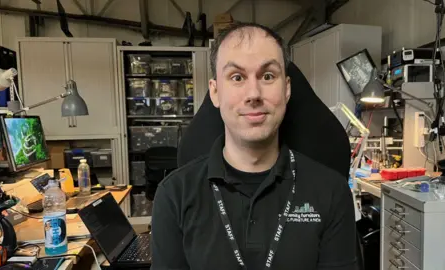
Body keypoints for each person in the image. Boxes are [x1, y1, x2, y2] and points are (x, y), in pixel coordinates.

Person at [151, 22, 357, 270]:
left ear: (287, 89)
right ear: (215, 92)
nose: (253, 93)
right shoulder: (174, 195)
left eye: (268, 76)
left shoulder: (332, 193)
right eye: (237, 77)